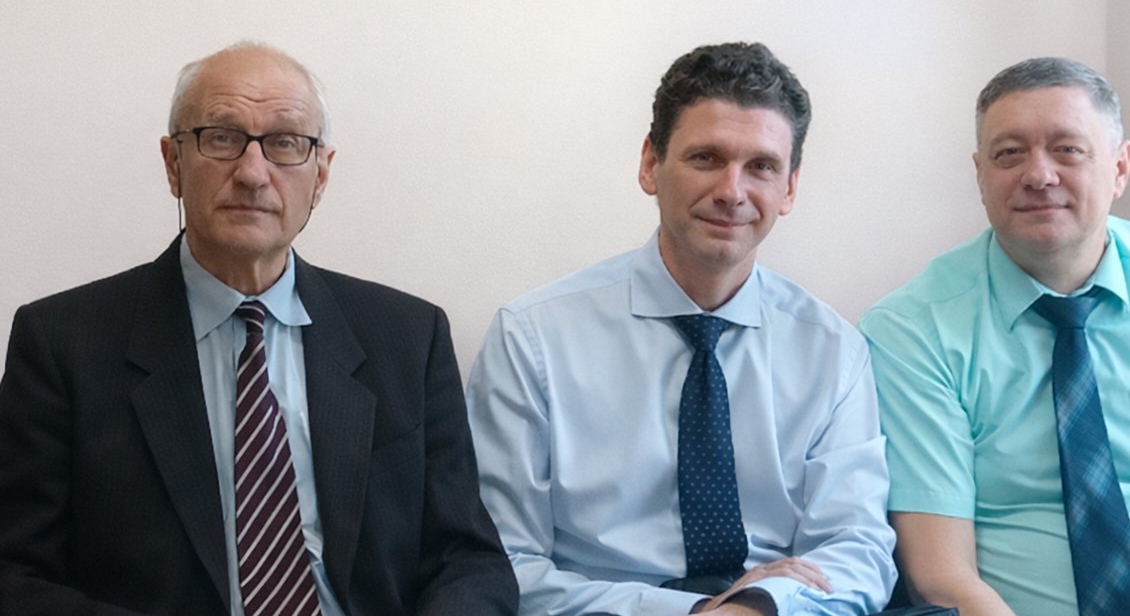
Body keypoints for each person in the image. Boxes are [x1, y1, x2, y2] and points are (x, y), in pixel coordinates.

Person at [0, 42, 517, 615]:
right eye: (222, 138)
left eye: (285, 143)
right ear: (173, 163)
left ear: (321, 174)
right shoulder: (61, 344)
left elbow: (468, 559)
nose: (252, 173)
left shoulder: (408, 337)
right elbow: (14, 575)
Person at [465, 42, 897, 616]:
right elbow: (501, 565)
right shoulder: (532, 339)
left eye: (762, 167)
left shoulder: (833, 350)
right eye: (706, 158)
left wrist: (756, 607)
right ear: (651, 164)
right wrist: (691, 613)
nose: (732, 192)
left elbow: (859, 552)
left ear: (789, 188)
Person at [860, 56, 1130, 615]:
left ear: (1120, 167)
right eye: (1009, 153)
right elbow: (942, 574)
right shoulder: (913, 328)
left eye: (1067, 149)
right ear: (980, 174)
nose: (1039, 175)